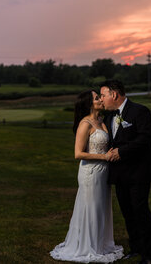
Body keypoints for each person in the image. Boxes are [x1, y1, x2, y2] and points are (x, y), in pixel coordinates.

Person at [50, 90, 123, 263]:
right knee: (91, 208)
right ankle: (88, 246)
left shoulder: (101, 120)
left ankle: (100, 243)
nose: (100, 99)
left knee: (101, 208)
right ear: (89, 104)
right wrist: (104, 157)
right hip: (90, 173)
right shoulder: (85, 123)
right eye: (97, 98)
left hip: (104, 173)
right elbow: (78, 153)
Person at [100, 80, 151, 264]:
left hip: (138, 172)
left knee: (140, 211)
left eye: (103, 95)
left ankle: (148, 255)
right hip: (119, 174)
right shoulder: (109, 117)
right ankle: (135, 248)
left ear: (114, 94)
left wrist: (121, 151)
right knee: (127, 212)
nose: (102, 99)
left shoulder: (140, 111)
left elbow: (146, 138)